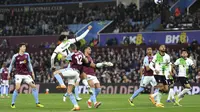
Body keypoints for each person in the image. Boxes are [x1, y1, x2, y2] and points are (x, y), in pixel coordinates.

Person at [61, 44, 113, 111]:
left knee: (98, 89)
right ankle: (95, 103)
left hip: (92, 74)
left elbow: (94, 65)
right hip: (85, 74)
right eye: (89, 49)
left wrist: (103, 64)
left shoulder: (89, 58)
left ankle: (89, 101)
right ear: (85, 50)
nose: (90, 50)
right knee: (91, 86)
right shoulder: (80, 57)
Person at [8, 43, 44, 108]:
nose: (25, 48)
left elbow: (29, 64)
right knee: (18, 88)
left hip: (26, 74)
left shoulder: (27, 55)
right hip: (18, 74)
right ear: (20, 48)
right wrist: (8, 73)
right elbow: (11, 65)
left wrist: (32, 72)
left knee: (34, 86)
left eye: (25, 47)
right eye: (23, 47)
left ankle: (37, 103)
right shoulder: (15, 56)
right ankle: (12, 104)